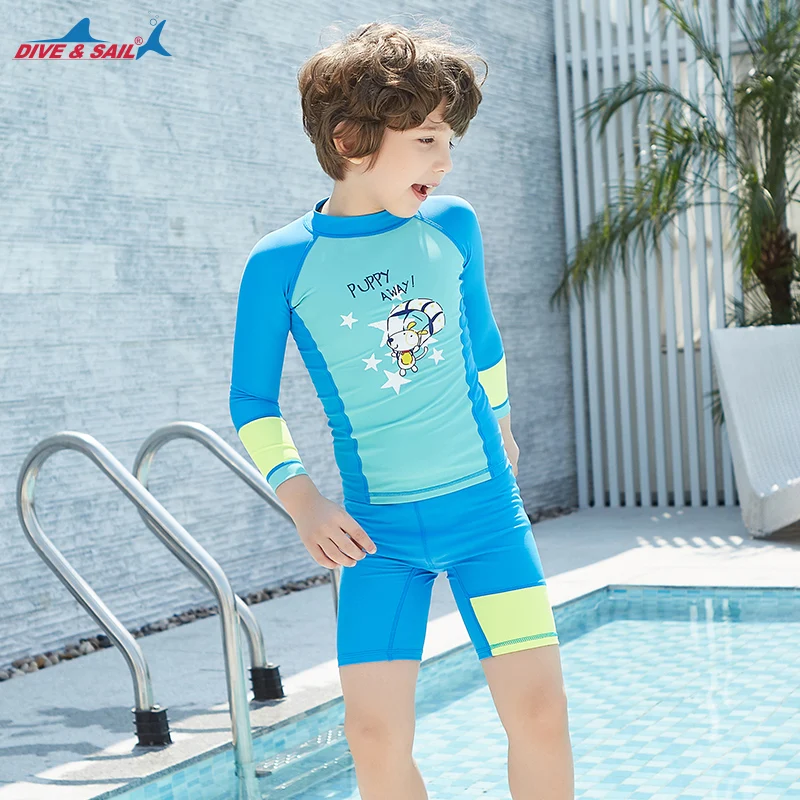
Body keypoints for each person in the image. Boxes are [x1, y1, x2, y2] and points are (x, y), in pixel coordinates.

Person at [228, 19, 575, 800]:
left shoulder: (452, 227)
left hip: (486, 516)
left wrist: (503, 422)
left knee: (539, 713)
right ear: (351, 139)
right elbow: (251, 398)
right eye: (425, 139)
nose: (444, 160)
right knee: (373, 735)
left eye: (448, 140)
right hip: (377, 538)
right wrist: (302, 498)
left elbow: (483, 341)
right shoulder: (282, 262)